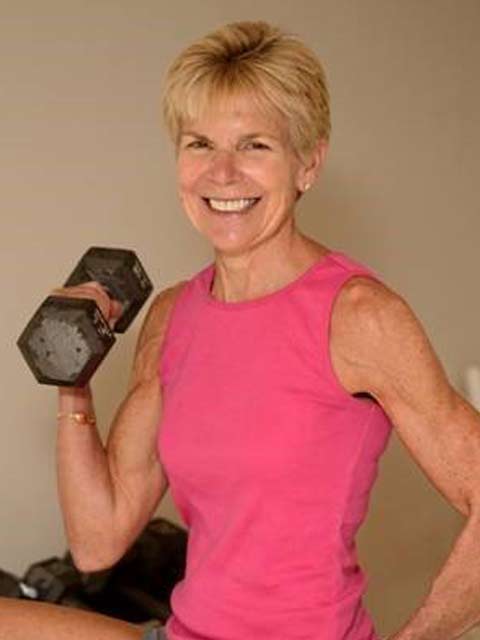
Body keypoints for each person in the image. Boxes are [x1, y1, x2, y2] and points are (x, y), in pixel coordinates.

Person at [2, 19, 480, 640]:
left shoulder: (359, 315)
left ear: (308, 162)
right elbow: (97, 540)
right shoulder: (173, 315)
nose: (221, 173)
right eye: (199, 143)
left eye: (255, 145)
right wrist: (73, 378)